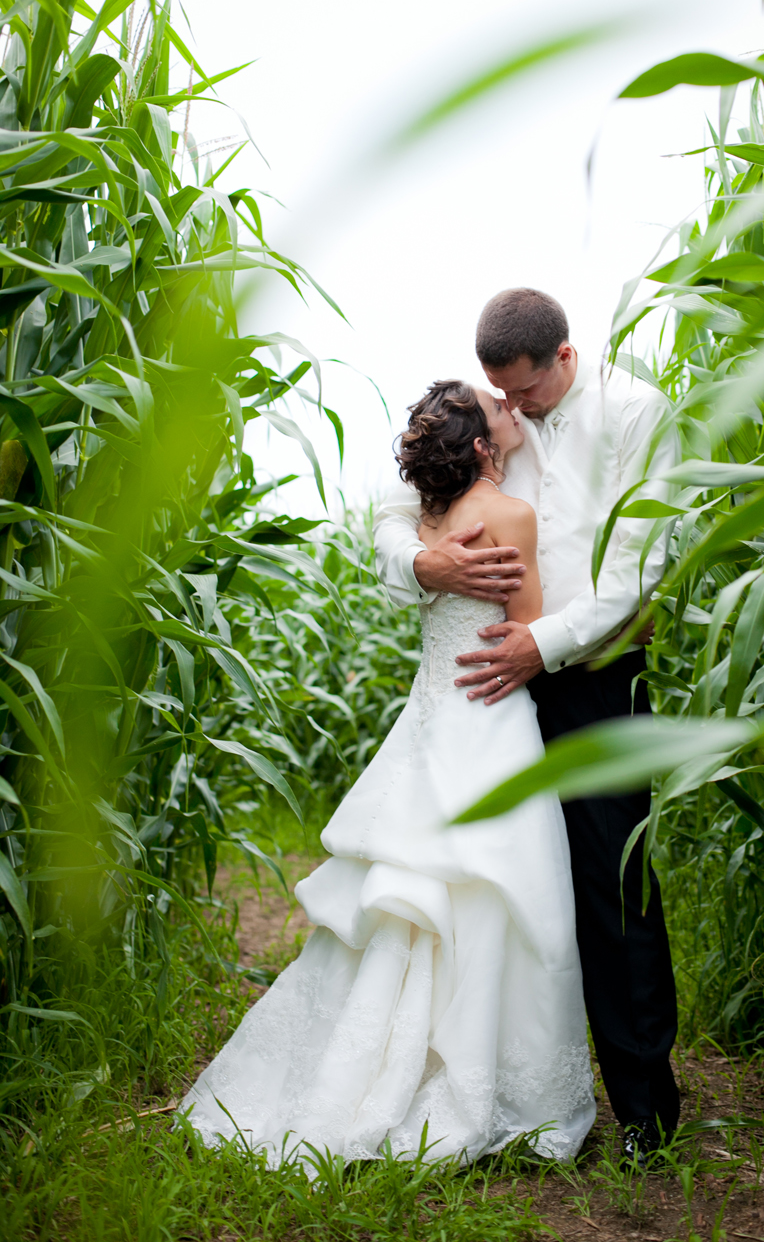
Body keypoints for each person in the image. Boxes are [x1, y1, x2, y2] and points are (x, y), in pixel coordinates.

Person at [180, 378, 596, 1169]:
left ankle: (383, 1067)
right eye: (496, 408)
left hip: (432, 715)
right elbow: (530, 629)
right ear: (479, 447)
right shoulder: (509, 515)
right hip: (494, 717)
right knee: (501, 895)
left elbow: (398, 528)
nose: (511, 410)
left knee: (416, 896)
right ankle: (490, 1084)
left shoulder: (431, 516)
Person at [374, 288, 682, 1165]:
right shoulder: (495, 415)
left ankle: (645, 1115)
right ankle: (506, 1085)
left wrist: (539, 646)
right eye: (498, 392)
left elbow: (634, 574)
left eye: (527, 391)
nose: (516, 409)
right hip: (491, 693)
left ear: (563, 357)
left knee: (611, 888)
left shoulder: (635, 413)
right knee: (501, 887)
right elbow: (395, 511)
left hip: (589, 678)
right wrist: (423, 561)